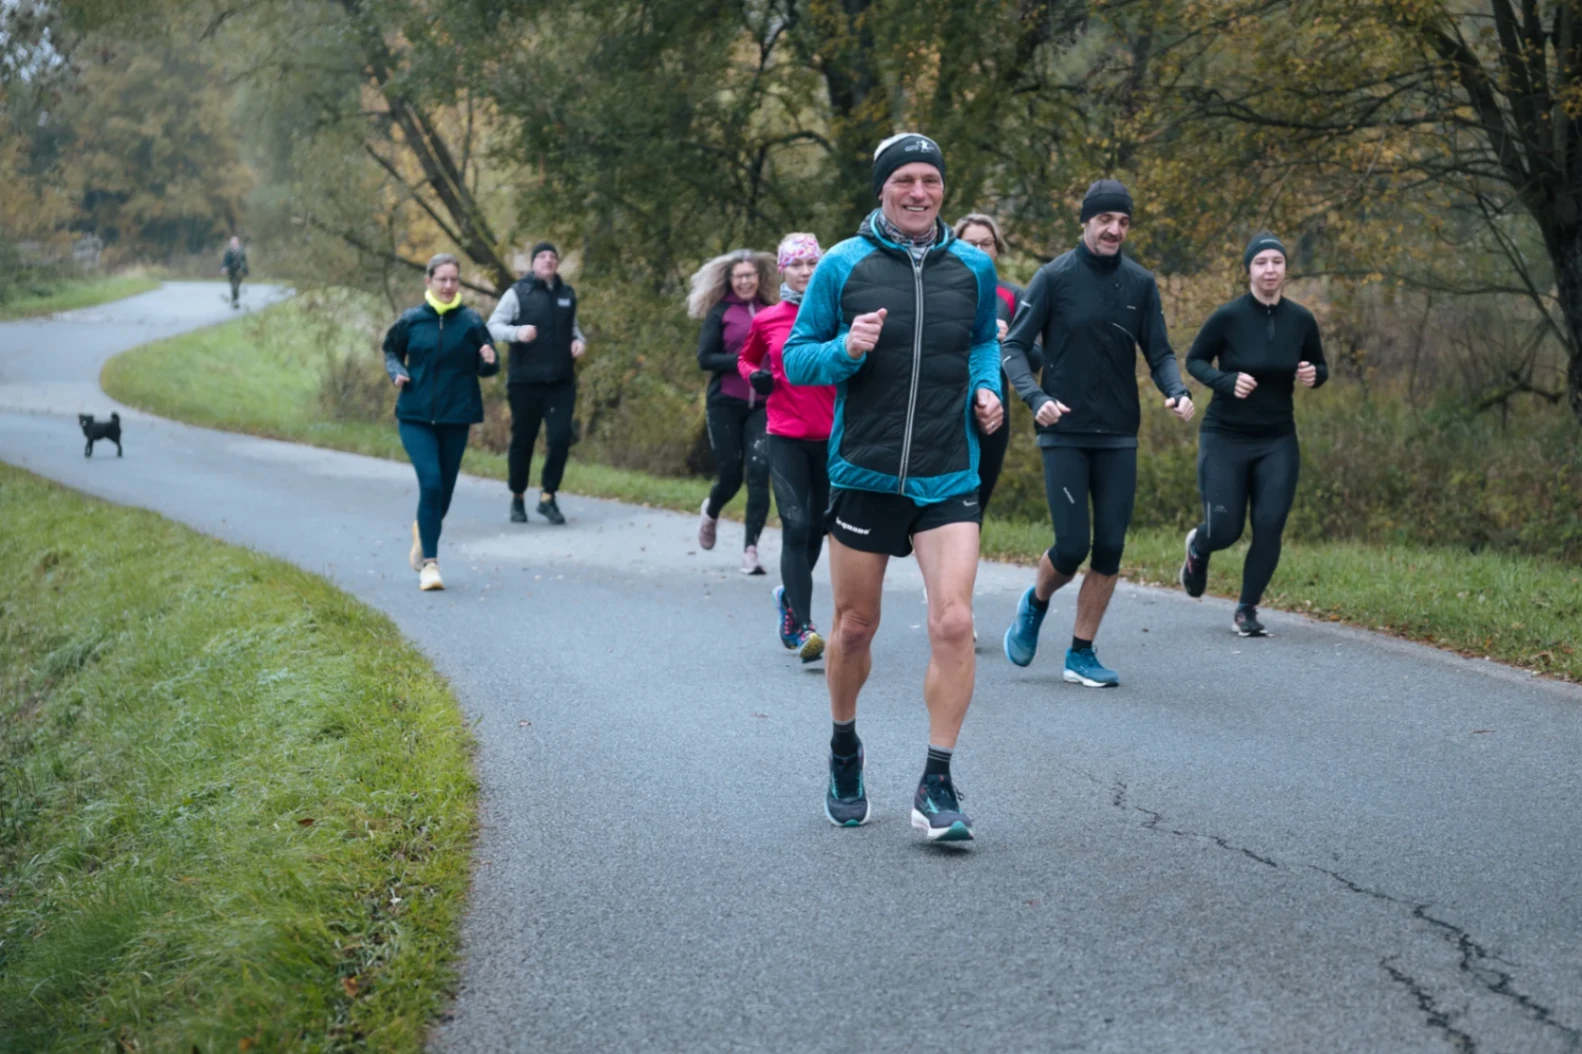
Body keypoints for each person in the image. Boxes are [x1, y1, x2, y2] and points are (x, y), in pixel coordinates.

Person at [783, 132, 1003, 842]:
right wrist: (844, 350)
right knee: (853, 628)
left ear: (943, 189)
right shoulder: (843, 267)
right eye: (904, 180)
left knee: (955, 621)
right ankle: (844, 748)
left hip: (948, 470)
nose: (918, 192)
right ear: (881, 189)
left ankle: (937, 782)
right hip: (865, 469)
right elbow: (797, 359)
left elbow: (981, 343)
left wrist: (987, 388)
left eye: (930, 181)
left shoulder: (972, 267)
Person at [1000, 179, 1195, 687]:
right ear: (1085, 221)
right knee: (1071, 545)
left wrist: (1175, 389)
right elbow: (1013, 348)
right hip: (1063, 428)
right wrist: (1035, 398)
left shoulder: (1140, 284)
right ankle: (1037, 600)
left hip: (1117, 433)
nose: (1115, 229)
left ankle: (1081, 652)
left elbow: (1160, 352)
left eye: (1124, 222)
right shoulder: (1053, 277)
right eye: (1106, 219)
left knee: (1109, 547)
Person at [1178, 231, 1327, 636]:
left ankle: (1247, 609)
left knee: (1269, 523)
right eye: (1261, 263)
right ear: (1249, 270)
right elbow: (1194, 361)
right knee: (1225, 529)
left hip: (1277, 438)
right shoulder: (1228, 316)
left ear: (1285, 270)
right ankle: (1199, 547)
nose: (1269, 270)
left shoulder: (1301, 319)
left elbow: (1319, 366)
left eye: (1276, 262)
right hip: (1225, 436)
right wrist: (1226, 381)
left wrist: (1314, 374)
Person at [738, 232, 834, 663]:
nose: (806, 272)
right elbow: (746, 359)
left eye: (813, 264)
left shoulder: (836, 314)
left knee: (818, 529)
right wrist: (754, 378)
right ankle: (804, 626)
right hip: (785, 435)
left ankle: (789, 599)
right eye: (797, 265)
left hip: (832, 438)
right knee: (795, 527)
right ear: (783, 270)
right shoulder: (768, 319)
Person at [383, 253, 500, 591]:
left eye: (454, 280)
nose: (448, 286)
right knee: (431, 483)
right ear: (429, 281)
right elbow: (391, 351)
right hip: (415, 415)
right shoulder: (412, 320)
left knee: (444, 492)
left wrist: (490, 360)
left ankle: (424, 528)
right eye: (442, 279)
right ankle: (430, 564)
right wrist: (397, 372)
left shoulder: (471, 322)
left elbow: (489, 364)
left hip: (455, 417)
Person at [690, 248, 777, 574]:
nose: (744, 281)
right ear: (730, 279)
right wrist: (745, 364)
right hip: (725, 403)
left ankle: (750, 550)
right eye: (739, 276)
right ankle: (711, 511)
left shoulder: (772, 310)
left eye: (749, 275)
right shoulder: (721, 312)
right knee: (730, 475)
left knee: (759, 471)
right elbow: (705, 358)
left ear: (759, 278)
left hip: (764, 406)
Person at [487, 241, 587, 526]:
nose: (547, 260)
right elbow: (492, 326)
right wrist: (518, 333)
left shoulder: (567, 294)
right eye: (541, 256)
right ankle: (517, 497)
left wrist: (579, 343)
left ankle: (548, 497)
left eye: (552, 256)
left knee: (559, 438)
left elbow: (576, 330)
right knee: (523, 441)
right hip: (525, 382)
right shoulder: (518, 292)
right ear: (533, 263)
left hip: (560, 382)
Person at [952, 213, 1043, 515]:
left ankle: (965, 561)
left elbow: (1037, 359)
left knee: (977, 502)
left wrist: (1010, 339)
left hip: (991, 410)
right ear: (954, 247)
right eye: (970, 243)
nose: (978, 251)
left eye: (986, 244)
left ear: (997, 249)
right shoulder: (938, 292)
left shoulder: (1014, 296)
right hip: (942, 409)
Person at [220, 236, 248, 308]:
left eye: (234, 242)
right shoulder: (228, 252)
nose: (233, 244)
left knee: (237, 286)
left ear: (237, 242)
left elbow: (244, 261)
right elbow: (225, 261)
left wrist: (246, 270)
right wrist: (224, 268)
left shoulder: (241, 251)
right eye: (232, 242)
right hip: (231, 271)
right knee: (232, 286)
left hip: (239, 271)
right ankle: (234, 300)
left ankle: (236, 299)